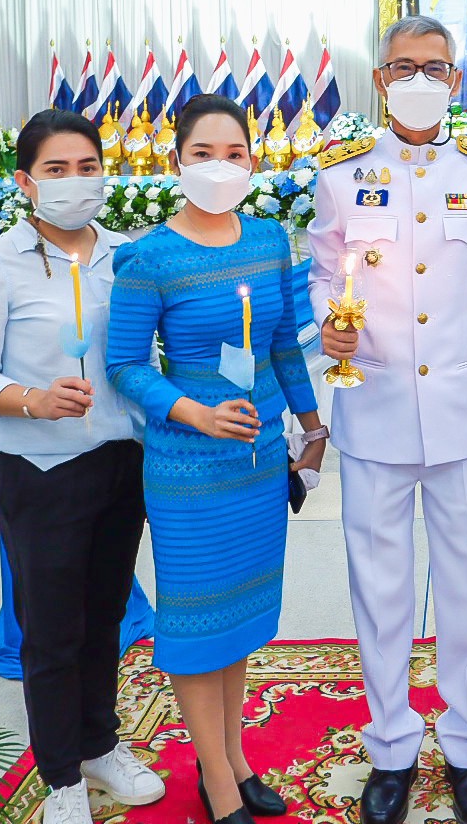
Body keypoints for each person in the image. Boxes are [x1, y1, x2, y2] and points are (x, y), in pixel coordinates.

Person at [307, 15, 467, 824]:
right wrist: (329, 321)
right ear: (380, 79)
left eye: (434, 67)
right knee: (380, 587)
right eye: (403, 67)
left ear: (455, 78)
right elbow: (323, 273)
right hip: (375, 409)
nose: (419, 80)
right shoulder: (342, 176)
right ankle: (392, 746)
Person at [106, 94, 325, 824]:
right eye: (203, 153)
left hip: (257, 461)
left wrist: (311, 424)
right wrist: (194, 412)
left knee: (240, 618)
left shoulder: (268, 240)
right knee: (198, 625)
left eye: (234, 153)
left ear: (253, 161)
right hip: (189, 468)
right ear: (176, 161)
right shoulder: (149, 258)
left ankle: (234, 760)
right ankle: (218, 783)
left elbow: (284, 344)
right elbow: (124, 365)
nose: (219, 166)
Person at [0, 109, 165, 824]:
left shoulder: (126, 255)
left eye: (87, 167)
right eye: (57, 169)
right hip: (39, 468)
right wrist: (32, 400)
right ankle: (61, 773)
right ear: (25, 181)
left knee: (106, 615)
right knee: (51, 627)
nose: (76, 181)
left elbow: (144, 354)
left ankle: (100, 744)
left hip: (120, 459)